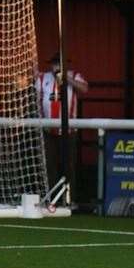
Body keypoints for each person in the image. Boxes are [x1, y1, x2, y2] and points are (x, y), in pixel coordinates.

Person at [35, 52, 89, 191]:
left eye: (60, 64)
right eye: (55, 64)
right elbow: (20, 84)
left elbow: (84, 88)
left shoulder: (74, 75)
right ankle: (51, 198)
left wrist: (65, 78)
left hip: (68, 131)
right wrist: (28, 75)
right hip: (47, 130)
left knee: (68, 165)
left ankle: (69, 198)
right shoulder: (43, 78)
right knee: (49, 166)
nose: (57, 66)